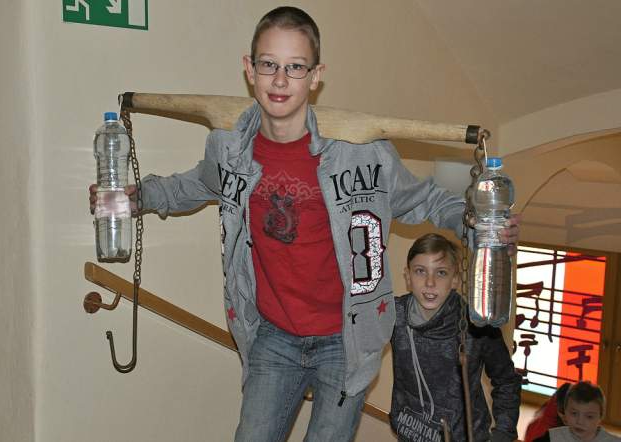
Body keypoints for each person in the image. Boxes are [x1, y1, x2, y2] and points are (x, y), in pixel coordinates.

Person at [89, 7, 520, 441]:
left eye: (295, 67)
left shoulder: (361, 153)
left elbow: (425, 199)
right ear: (249, 70)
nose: (280, 80)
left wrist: (476, 226)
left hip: (347, 340)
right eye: (269, 64)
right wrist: (136, 198)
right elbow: (195, 185)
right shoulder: (229, 150)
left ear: (316, 76)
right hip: (272, 334)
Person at [390, 233, 521, 442]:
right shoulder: (393, 314)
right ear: (407, 276)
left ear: (455, 280)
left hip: (465, 436)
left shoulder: (476, 325)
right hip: (411, 432)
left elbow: (506, 380)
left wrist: (503, 434)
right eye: (420, 271)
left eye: (441, 273)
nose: (430, 282)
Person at [533, 381, 620, 442]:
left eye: (589, 417)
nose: (580, 422)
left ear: (600, 417)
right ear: (564, 414)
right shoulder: (552, 438)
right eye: (574, 413)